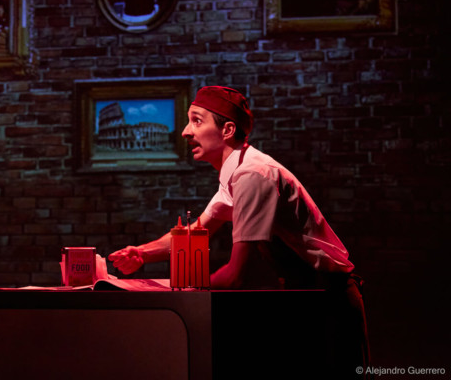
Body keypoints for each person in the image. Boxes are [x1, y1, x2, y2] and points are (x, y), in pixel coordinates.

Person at [109, 86, 370, 376]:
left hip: (329, 301)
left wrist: (179, 292)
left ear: (227, 130)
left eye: (197, 121)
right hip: (306, 296)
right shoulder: (237, 171)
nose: (185, 131)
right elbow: (195, 232)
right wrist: (141, 254)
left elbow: (236, 275)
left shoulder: (252, 175)